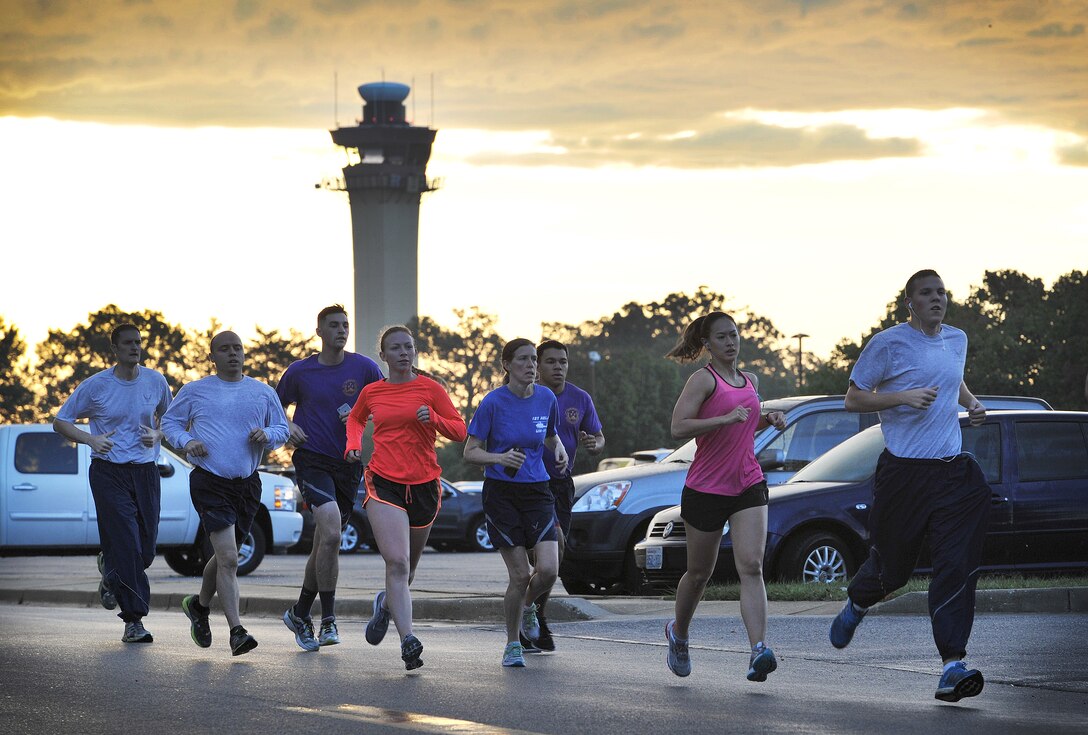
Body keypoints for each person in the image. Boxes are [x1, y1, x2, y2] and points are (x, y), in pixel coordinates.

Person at [830, 269, 990, 703]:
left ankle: (952, 665)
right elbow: (853, 398)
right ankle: (858, 603)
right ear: (910, 304)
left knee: (954, 565)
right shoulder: (888, 344)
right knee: (893, 569)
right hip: (904, 475)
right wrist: (901, 396)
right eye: (927, 293)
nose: (937, 298)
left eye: (941, 291)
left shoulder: (957, 338)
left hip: (952, 473)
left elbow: (951, 377)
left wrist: (971, 403)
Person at [662, 311, 786, 682]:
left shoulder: (750, 380)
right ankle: (678, 634)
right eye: (722, 337)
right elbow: (678, 427)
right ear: (708, 345)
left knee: (751, 566)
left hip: (747, 482)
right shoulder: (703, 380)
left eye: (734, 335)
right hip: (705, 488)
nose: (731, 342)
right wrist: (722, 419)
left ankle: (758, 650)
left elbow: (746, 419)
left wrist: (769, 417)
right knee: (700, 573)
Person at [345, 326, 467, 670]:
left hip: (425, 484)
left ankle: (385, 605)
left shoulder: (430, 389)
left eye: (408, 347)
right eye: (395, 348)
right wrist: (353, 444)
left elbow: (460, 430)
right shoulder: (372, 392)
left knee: (408, 571)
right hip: (384, 481)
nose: (403, 353)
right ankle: (408, 641)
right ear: (383, 356)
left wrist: (437, 419)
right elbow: (356, 419)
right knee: (396, 563)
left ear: (415, 352)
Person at [162, 330, 290, 656]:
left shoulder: (262, 392)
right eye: (225, 349)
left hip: (247, 484)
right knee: (230, 559)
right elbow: (170, 424)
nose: (233, 353)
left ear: (244, 353)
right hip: (209, 481)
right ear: (212, 356)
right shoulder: (195, 391)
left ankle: (199, 606)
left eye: (237, 348)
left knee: (223, 557)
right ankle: (237, 630)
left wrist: (268, 434)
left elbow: (282, 429)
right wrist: (186, 441)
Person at [53, 324, 173, 644]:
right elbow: (61, 422)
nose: (135, 348)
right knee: (126, 544)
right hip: (108, 471)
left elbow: (171, 419)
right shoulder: (96, 386)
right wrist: (91, 439)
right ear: (115, 350)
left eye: (138, 342)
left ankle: (110, 570)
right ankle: (133, 620)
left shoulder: (155, 381)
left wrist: (158, 434)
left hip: (146, 472)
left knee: (144, 550)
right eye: (128, 344)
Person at [276, 304, 384, 651]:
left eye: (345, 325)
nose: (341, 330)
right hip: (312, 459)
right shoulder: (300, 371)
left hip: (349, 463)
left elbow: (384, 406)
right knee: (333, 530)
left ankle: (299, 612)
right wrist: (287, 425)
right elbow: (272, 405)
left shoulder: (364, 368)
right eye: (334, 325)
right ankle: (329, 620)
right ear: (319, 331)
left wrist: (361, 416)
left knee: (327, 540)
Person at [463, 338, 568, 667]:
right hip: (502, 493)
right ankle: (512, 644)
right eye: (523, 360)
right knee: (520, 575)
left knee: (549, 570)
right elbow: (469, 451)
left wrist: (559, 448)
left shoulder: (547, 398)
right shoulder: (493, 403)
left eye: (534, 360)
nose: (531, 366)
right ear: (507, 365)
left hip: (538, 491)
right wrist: (499, 457)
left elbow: (549, 434)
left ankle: (528, 608)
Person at [524, 339, 604, 652]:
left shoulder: (579, 398)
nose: (558, 367)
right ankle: (529, 616)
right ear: (537, 366)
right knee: (540, 559)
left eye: (563, 362)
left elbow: (598, 437)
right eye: (551, 362)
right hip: (527, 487)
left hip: (560, 486)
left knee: (552, 561)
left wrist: (593, 445)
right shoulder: (526, 397)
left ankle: (533, 616)